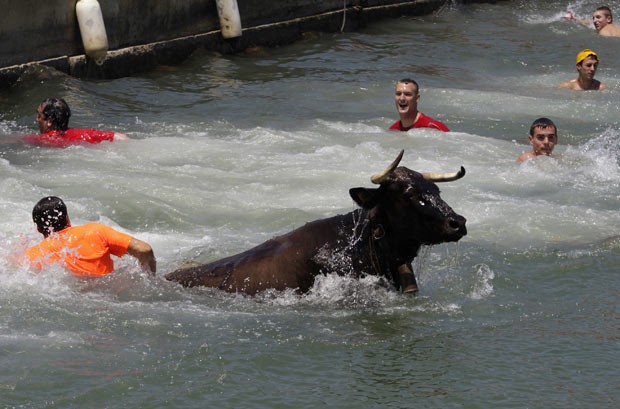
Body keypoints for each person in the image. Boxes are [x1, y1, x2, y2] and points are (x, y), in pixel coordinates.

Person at [25, 196, 156, 277]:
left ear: (38, 228)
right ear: (67, 218)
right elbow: (144, 250)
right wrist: (150, 282)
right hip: (110, 295)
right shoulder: (94, 231)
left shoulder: (34, 255)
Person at [24, 97, 129, 148]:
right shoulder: (82, 134)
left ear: (50, 121)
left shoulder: (44, 139)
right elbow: (122, 137)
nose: (37, 119)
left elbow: (13, 139)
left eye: (39, 115)